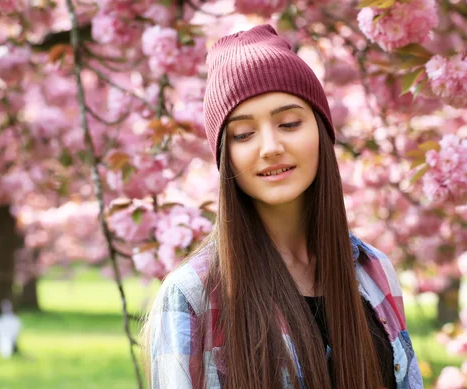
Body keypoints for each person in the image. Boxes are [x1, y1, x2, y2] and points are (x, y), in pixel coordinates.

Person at [142, 24, 423, 389]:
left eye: (289, 123)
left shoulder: (373, 272)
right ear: (224, 156)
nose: (270, 146)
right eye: (243, 134)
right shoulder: (192, 295)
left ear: (321, 132)